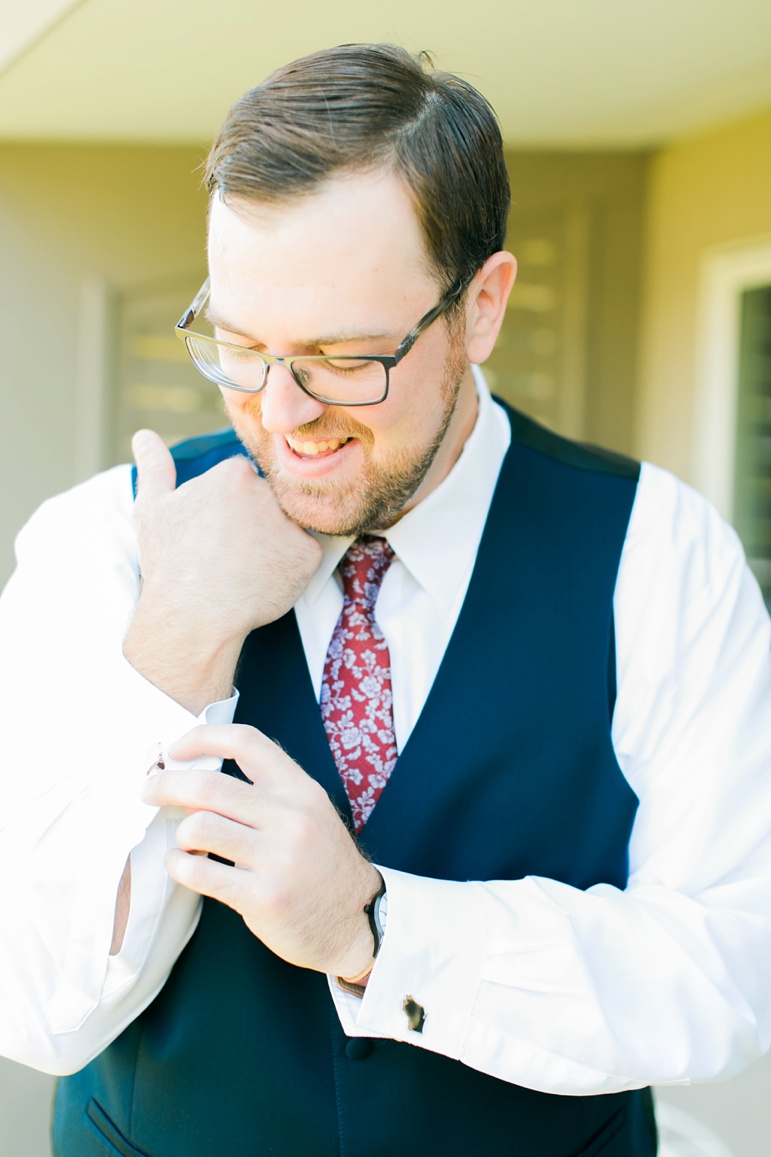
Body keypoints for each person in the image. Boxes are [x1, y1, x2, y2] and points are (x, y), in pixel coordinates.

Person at [1, 42, 770, 1157]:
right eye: (244, 346)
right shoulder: (95, 544)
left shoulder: (663, 551)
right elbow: (33, 1004)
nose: (284, 411)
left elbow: (733, 963)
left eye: (346, 356)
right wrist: (174, 638)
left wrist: (375, 926)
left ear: (483, 307)